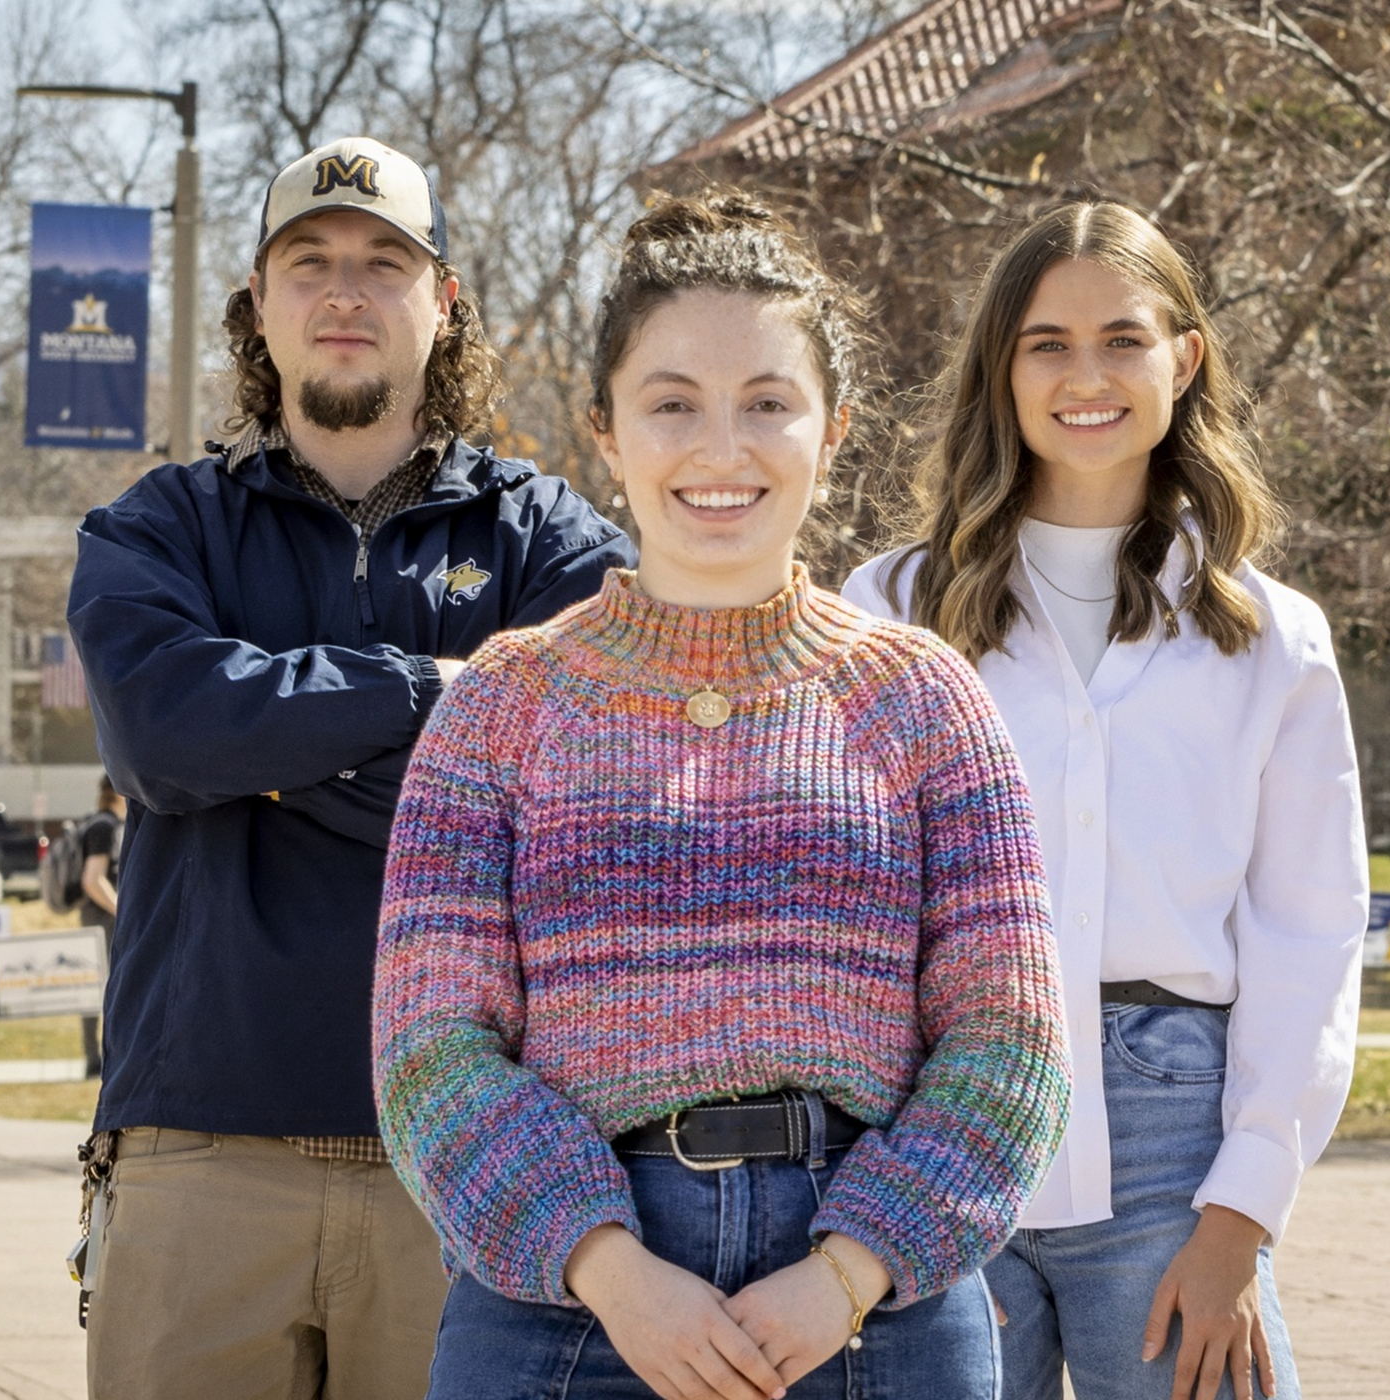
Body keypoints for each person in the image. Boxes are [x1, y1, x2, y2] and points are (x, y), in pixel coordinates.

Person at [373, 192, 1071, 1400]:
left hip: (877, 1301)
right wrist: (611, 1270)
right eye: (673, 403)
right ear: (604, 429)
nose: (721, 448)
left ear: (834, 426)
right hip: (567, 1302)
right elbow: (430, 1048)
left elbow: (1010, 1040)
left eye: (768, 403)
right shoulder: (502, 704)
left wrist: (846, 1272)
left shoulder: (924, 698)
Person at [67, 135, 635, 1397]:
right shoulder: (158, 528)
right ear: (258, 308)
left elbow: (564, 788)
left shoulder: (553, 544)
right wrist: (433, 692)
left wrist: (264, 753)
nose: (344, 290)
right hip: (198, 1145)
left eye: (385, 262)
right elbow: (162, 736)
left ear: (441, 305)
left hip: (481, 1155)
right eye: (308, 261)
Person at [843, 201, 1367, 1400]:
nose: (1088, 375)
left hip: (1173, 1148)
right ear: (1001, 368)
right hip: (933, 1130)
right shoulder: (888, 611)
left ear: (1183, 358)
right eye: (1046, 342)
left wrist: (1245, 1206)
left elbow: (1311, 929)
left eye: (1123, 338)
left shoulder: (1272, 638)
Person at [76, 775, 125, 1078]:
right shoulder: (104, 826)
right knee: (100, 990)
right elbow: (93, 880)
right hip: (101, 918)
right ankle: (96, 1059)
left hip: (98, 917)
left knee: (98, 989)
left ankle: (100, 1058)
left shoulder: (102, 823)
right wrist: (123, 911)